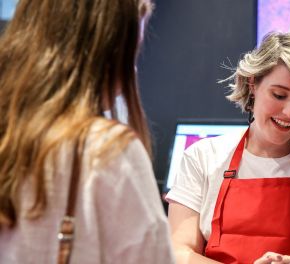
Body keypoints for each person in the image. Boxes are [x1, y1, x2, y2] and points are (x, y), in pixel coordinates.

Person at [0, 0, 174, 263]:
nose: (132, 70)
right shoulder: (108, 150)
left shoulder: (10, 136)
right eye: (130, 55)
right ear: (106, 53)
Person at [167, 32, 290, 264]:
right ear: (253, 84)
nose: (289, 113)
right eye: (279, 95)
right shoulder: (202, 157)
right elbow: (178, 254)